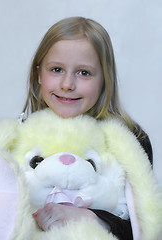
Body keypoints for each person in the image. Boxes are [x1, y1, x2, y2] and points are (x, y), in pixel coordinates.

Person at [22, 16, 153, 239]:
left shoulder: (130, 139)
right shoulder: (20, 136)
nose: (67, 84)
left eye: (84, 73)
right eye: (56, 69)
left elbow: (148, 223)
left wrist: (94, 218)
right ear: (38, 75)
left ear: (105, 79)